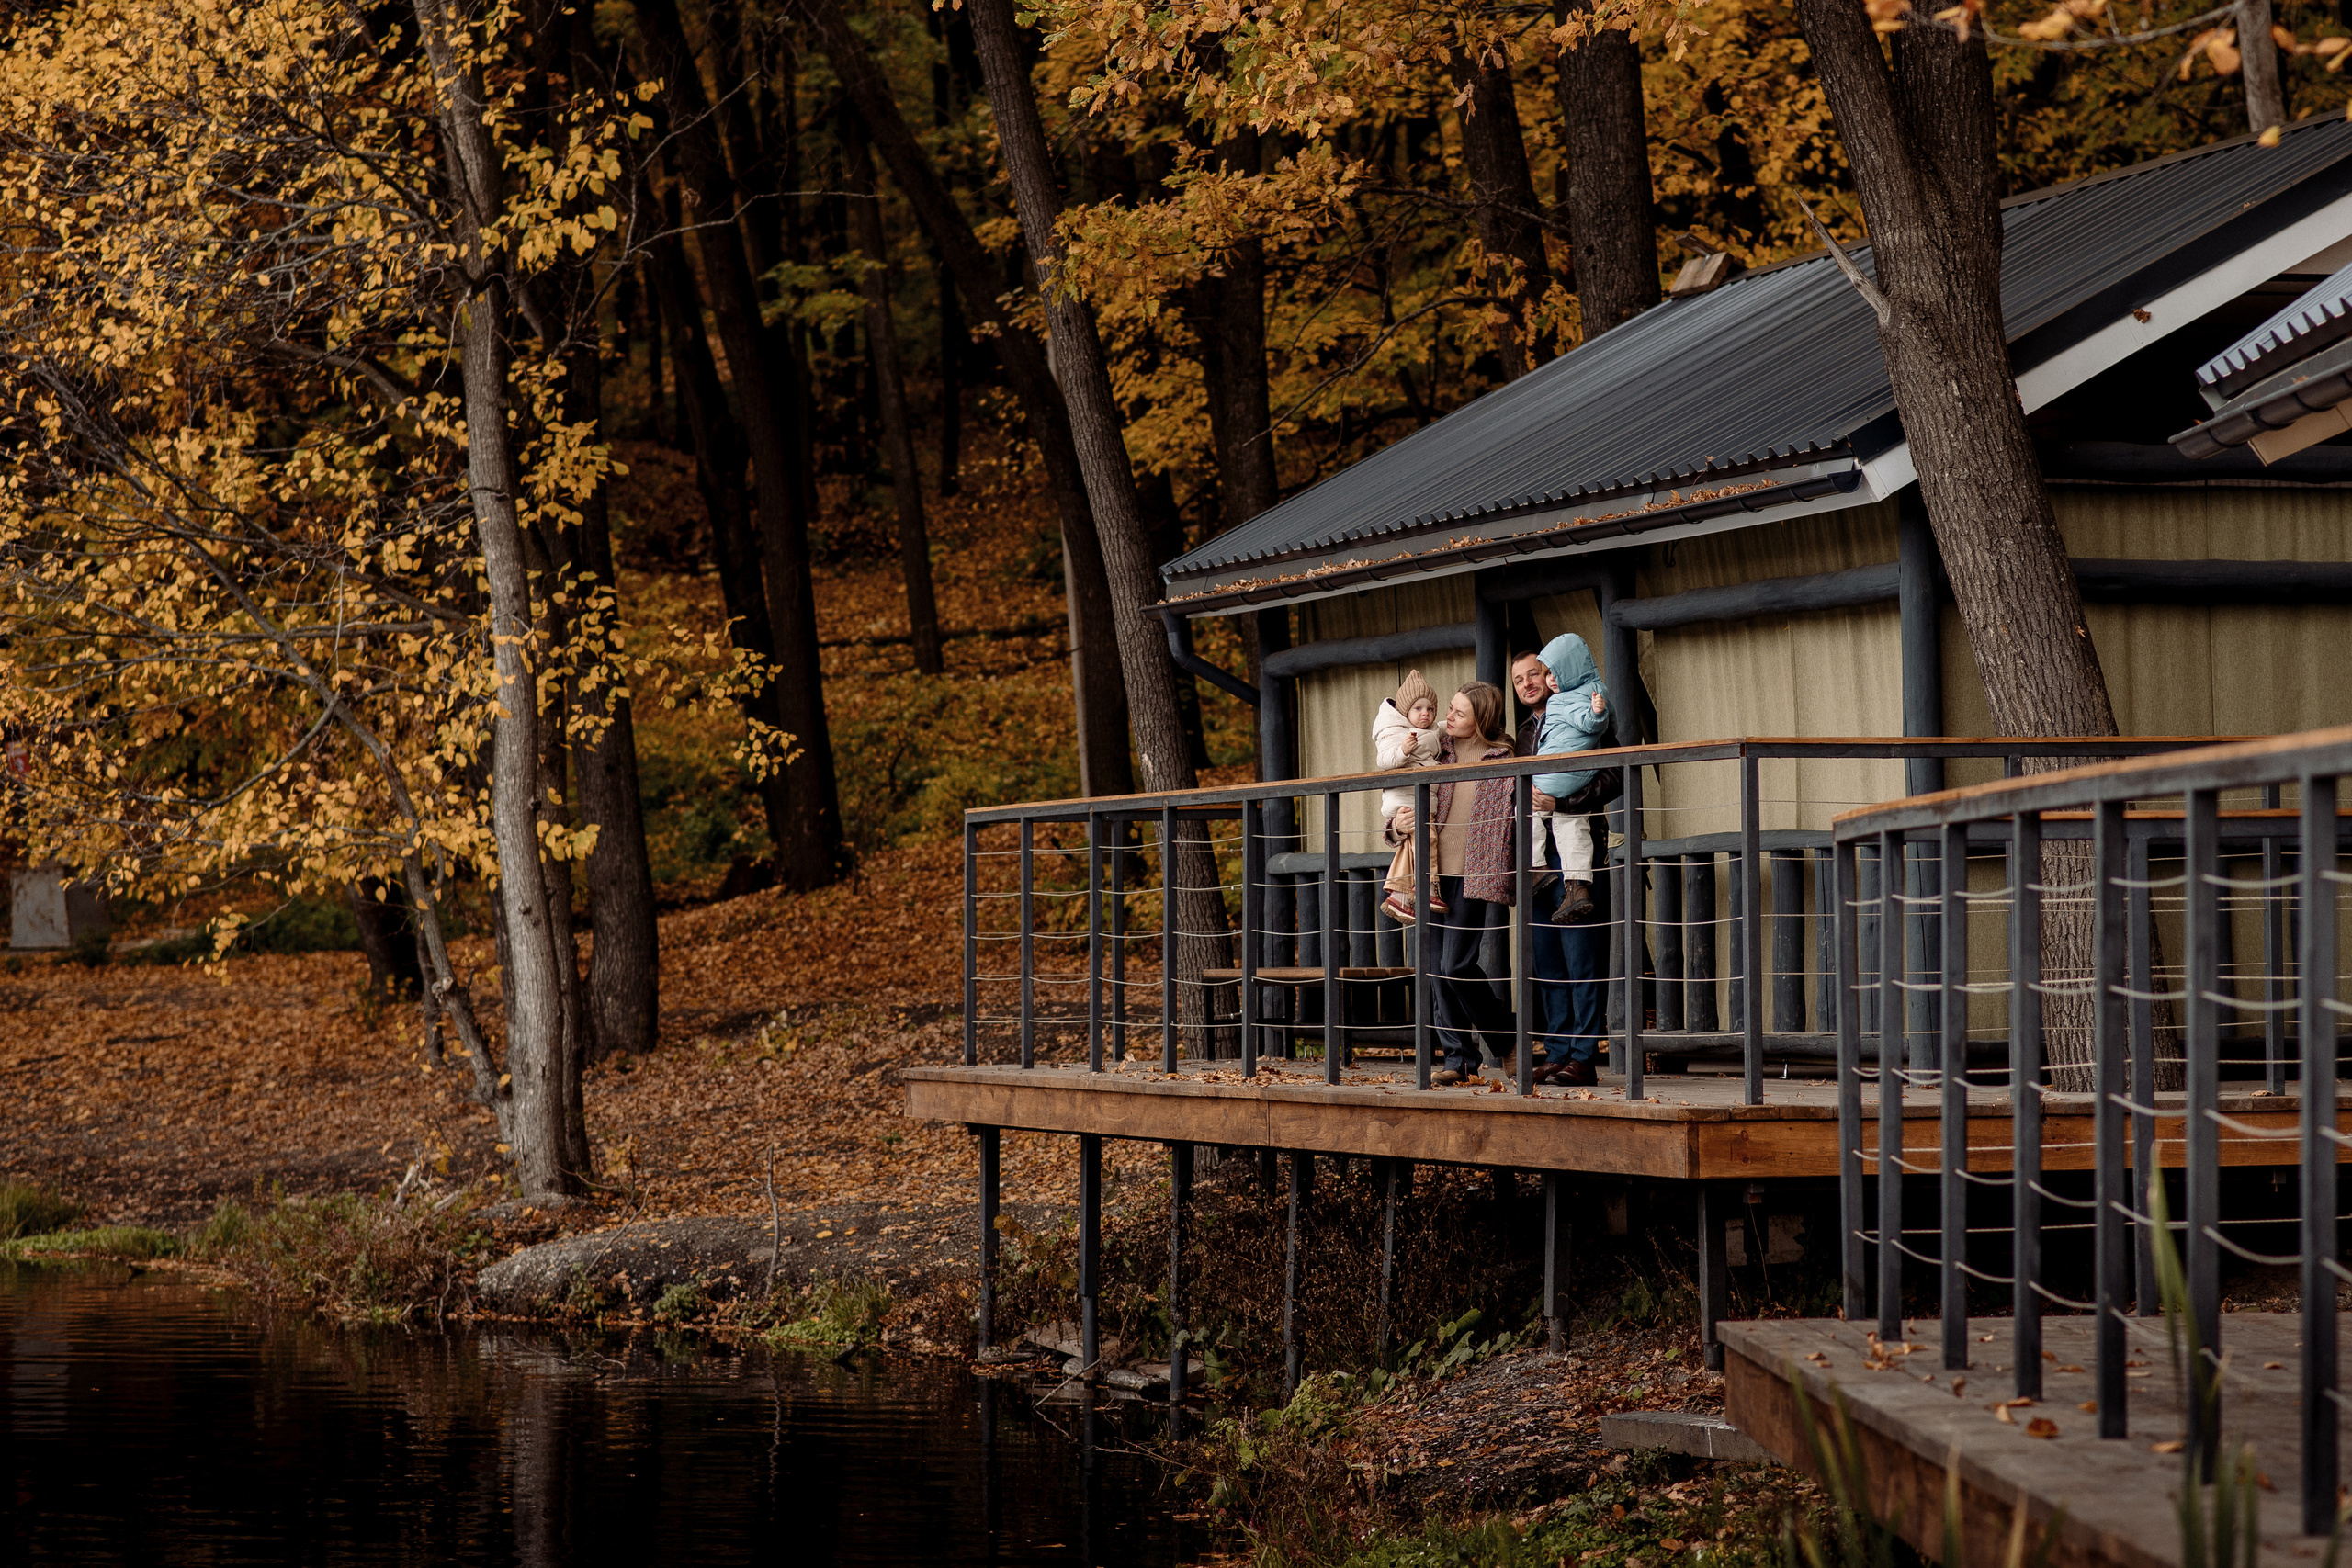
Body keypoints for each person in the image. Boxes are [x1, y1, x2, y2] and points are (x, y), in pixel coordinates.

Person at [1384, 682, 1516, 1085]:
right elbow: (1397, 794)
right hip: (1429, 873)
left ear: (1482, 719)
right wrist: (1396, 827)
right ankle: (1459, 1061)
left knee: (1455, 965)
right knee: (1435, 971)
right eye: (1451, 709)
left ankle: (1506, 1038)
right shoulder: (1434, 750)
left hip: (1475, 873)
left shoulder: (1503, 757)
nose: (1448, 716)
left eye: (1460, 712)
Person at [1511, 649, 1612, 1088]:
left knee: (1580, 956)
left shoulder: (1586, 709)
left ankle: (1584, 1057)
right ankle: (1556, 1052)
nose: (1528, 684)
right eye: (1519, 680)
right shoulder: (1522, 735)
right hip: (1536, 859)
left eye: (1535, 673)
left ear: (1552, 674)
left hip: (1577, 855)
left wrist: (1563, 802)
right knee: (1548, 958)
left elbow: (1614, 776)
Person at [1530, 634, 1609, 926]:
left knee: (1529, 812)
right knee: (1570, 823)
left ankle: (1535, 867)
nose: (1549, 680)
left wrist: (1597, 715)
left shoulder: (1564, 700)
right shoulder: (1593, 692)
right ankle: (1576, 886)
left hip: (1558, 776)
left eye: (1552, 673)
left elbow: (1589, 721)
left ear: (1570, 671)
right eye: (1547, 674)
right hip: (1571, 777)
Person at [1374, 670, 1447, 921]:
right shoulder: (1396, 732)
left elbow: (1442, 728)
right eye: (1418, 708)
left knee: (1411, 848)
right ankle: (1428, 887)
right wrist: (1402, 751)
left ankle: (1399, 898)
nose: (1425, 714)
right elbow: (1384, 760)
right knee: (1427, 838)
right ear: (1405, 712)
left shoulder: (1429, 732)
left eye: (1430, 709)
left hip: (1416, 799)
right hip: (1407, 799)